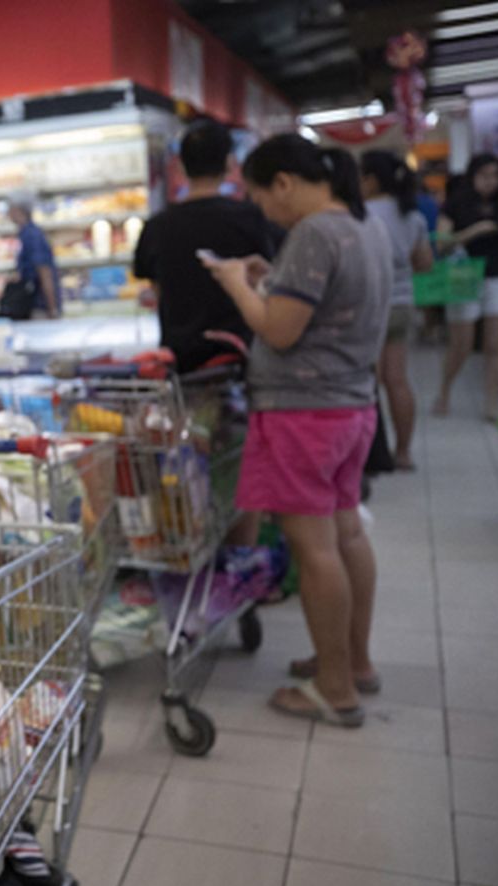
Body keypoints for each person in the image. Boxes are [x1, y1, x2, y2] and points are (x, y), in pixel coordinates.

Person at [204, 134, 392, 727]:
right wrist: (273, 279)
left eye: (262, 197)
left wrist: (237, 284)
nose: (264, 210)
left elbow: (280, 332)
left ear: (283, 182)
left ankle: (335, 689)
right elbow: (320, 310)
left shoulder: (312, 232)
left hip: (303, 413)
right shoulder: (364, 225)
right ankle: (353, 662)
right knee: (347, 536)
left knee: (313, 549)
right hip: (352, 406)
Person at [133, 119, 276, 372]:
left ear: (179, 166)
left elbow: (155, 290)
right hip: (244, 357)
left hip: (180, 361)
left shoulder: (157, 226)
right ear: (230, 163)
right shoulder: (253, 217)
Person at [360, 150, 434, 470]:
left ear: (372, 180)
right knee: (397, 379)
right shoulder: (412, 214)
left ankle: (369, 456)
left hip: (368, 306)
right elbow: (425, 263)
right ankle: (403, 453)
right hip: (402, 304)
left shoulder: (361, 213)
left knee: (368, 382)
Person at [436, 153, 498, 420]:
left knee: (496, 343)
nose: (490, 182)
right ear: (473, 176)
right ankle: (445, 390)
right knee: (463, 343)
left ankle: (492, 402)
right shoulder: (455, 205)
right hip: (464, 275)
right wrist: (477, 230)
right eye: (484, 175)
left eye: (495, 176)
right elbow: (442, 243)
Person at [0, 197, 59, 319]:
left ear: (17, 210)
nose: (8, 213)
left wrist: (52, 308)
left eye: (9, 209)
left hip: (39, 305)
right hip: (33, 304)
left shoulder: (32, 235)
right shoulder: (25, 233)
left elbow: (44, 271)